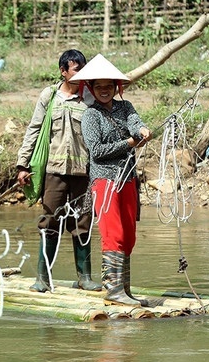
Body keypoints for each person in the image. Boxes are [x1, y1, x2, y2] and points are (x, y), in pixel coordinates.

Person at [16, 49, 102, 292]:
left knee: (83, 223)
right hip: (54, 171)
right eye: (76, 69)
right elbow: (34, 129)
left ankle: (84, 278)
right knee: (50, 221)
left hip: (83, 173)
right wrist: (23, 164)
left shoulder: (90, 98)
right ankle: (43, 278)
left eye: (84, 69)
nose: (81, 73)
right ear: (63, 72)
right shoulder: (50, 96)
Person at [70, 54, 152, 307]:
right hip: (104, 180)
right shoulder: (90, 116)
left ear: (116, 88)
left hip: (127, 177)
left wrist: (142, 131)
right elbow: (97, 151)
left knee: (128, 234)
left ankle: (124, 289)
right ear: (91, 89)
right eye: (99, 87)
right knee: (112, 232)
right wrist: (128, 142)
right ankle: (113, 290)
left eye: (108, 87)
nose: (104, 91)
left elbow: (135, 122)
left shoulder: (125, 108)